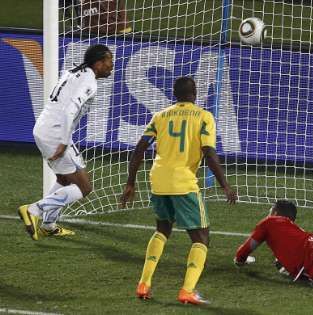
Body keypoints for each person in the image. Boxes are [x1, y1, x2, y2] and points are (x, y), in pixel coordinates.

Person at [121, 77, 237, 305]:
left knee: (162, 229)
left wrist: (130, 182)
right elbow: (209, 152)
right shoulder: (204, 117)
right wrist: (225, 184)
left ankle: (143, 284)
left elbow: (139, 150)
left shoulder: (160, 116)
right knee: (201, 237)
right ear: (195, 92)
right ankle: (187, 290)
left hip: (158, 180)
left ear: (174, 94)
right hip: (183, 182)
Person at [18, 44, 113, 240]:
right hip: (56, 134)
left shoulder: (74, 72)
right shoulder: (89, 82)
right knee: (84, 188)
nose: (111, 65)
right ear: (98, 63)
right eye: (108, 61)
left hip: (44, 129)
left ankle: (48, 225)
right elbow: (70, 110)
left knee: (64, 179)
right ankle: (33, 210)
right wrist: (62, 143)